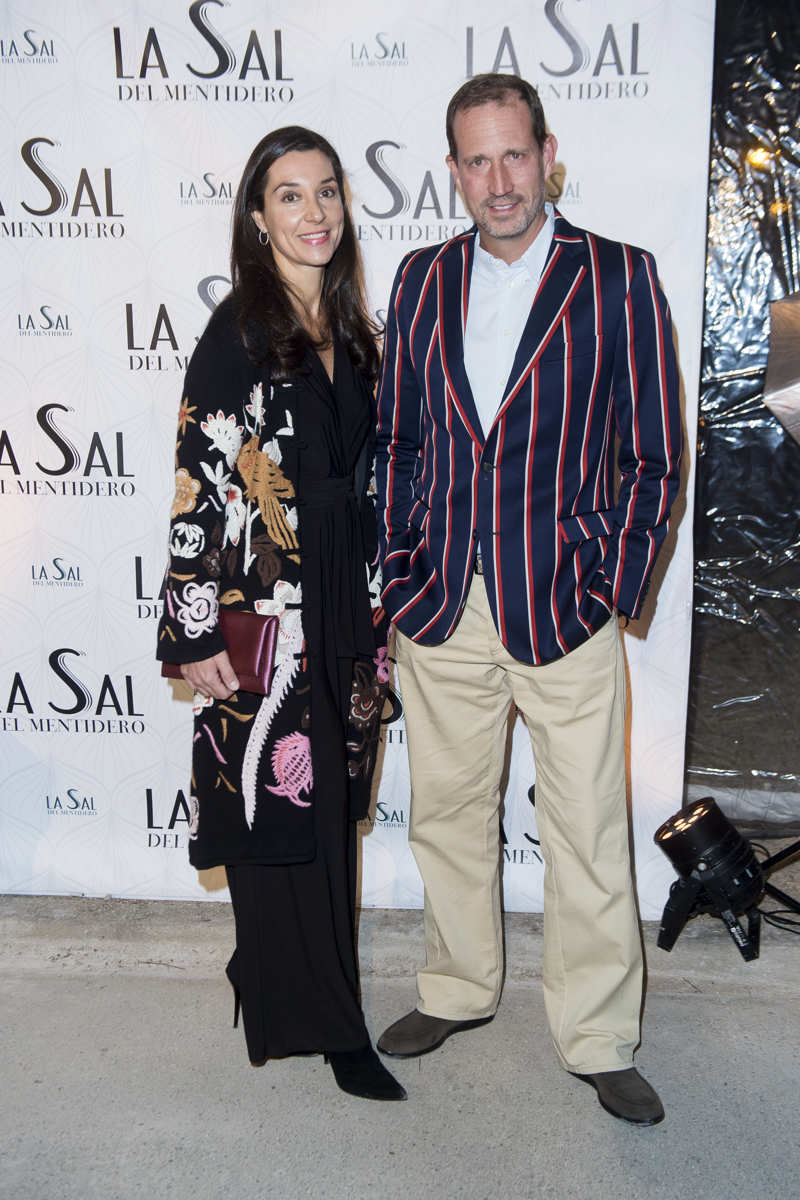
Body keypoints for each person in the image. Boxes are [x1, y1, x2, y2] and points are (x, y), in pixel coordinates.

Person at [374, 74, 682, 1126]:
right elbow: (401, 440)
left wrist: (610, 585)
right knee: (449, 815)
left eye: (515, 157)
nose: (498, 182)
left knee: (587, 828)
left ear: (547, 155)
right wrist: (402, 563)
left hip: (561, 604)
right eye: (476, 161)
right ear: (451, 170)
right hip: (441, 603)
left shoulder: (618, 279)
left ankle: (596, 1034)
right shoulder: (417, 280)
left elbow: (650, 456)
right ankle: (458, 988)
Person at [156, 126, 405, 1102]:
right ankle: (329, 1026)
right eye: (290, 196)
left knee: (330, 808)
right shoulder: (240, 337)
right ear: (257, 220)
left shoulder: (349, 330)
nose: (315, 213)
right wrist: (193, 630)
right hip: (265, 607)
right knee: (276, 807)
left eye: (327, 193)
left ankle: (275, 979)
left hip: (345, 595)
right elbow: (198, 486)